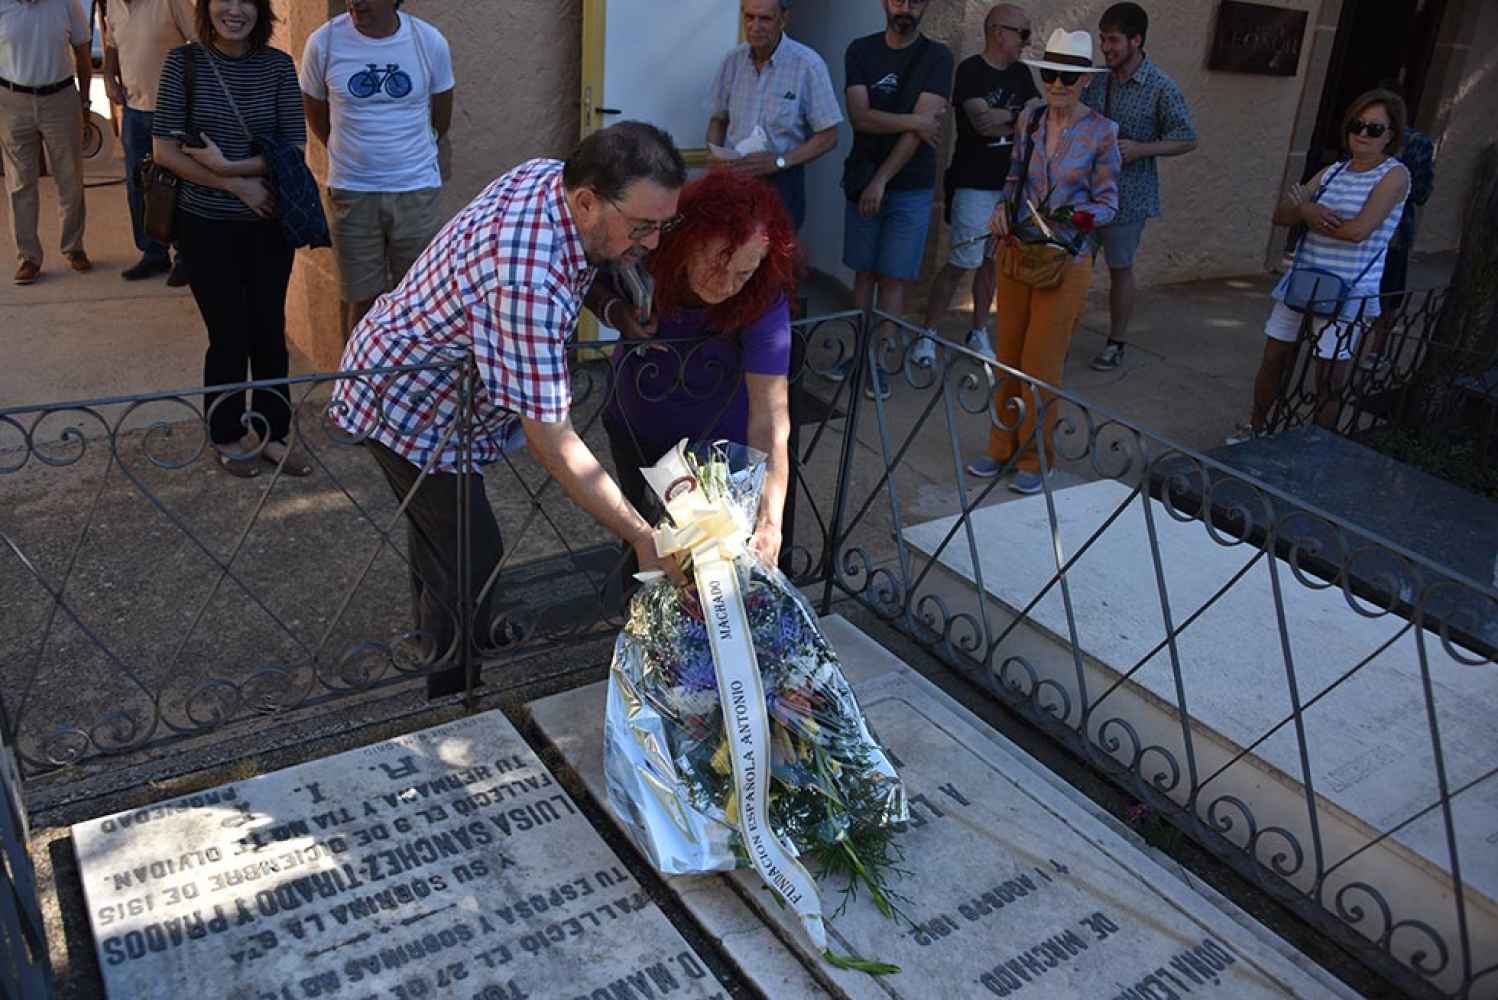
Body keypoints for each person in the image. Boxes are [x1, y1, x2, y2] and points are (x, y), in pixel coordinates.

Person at [329, 121, 688, 697]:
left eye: (663, 224)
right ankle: (452, 687)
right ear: (588, 201)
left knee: (445, 539)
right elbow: (553, 441)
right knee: (472, 552)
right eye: (642, 226)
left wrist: (613, 310)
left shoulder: (553, 178)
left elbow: (584, 265)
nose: (652, 244)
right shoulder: (525, 280)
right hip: (406, 402)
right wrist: (641, 535)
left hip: (442, 389)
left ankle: (447, 636)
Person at [603, 169, 797, 570]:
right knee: (648, 557)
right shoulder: (647, 251)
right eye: (716, 265)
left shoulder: (761, 296)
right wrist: (615, 311)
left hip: (719, 455)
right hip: (638, 434)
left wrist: (770, 521)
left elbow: (770, 416)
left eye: (742, 273)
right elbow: (589, 275)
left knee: (717, 573)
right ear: (688, 241)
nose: (726, 285)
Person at [150, 0, 310, 478]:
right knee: (227, 335)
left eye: (246, 1)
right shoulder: (185, 62)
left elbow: (293, 147)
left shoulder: (279, 66)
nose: (234, 11)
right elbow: (163, 150)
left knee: (268, 330)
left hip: (267, 223)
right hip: (205, 226)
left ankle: (274, 433)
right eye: (224, 0)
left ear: (261, 11)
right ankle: (226, 434)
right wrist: (232, 184)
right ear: (206, 8)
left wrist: (229, 166)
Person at [964, 28, 1118, 494]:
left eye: (1067, 79)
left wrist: (1072, 217)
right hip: (1017, 250)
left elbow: (1110, 203)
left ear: (1085, 82)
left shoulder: (1102, 132)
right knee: (1008, 353)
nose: (1056, 85)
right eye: (1050, 74)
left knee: (1042, 363)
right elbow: (1014, 177)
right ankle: (999, 446)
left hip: (1065, 260)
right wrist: (1001, 211)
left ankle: (1035, 456)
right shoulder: (1030, 117)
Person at [1228, 90, 1410, 443]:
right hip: (1304, 278)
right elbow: (1282, 214)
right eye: (1358, 124)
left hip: (1348, 287)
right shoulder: (1332, 172)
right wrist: (1308, 211)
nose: (1363, 133)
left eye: (1375, 128)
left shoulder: (1394, 175)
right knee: (1274, 357)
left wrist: (1308, 212)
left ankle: (1318, 444)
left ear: (1390, 135)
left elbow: (1359, 230)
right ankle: (1256, 426)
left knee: (1328, 373)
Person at [300, 0, 454, 341]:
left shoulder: (429, 42)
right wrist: (353, 155)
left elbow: (440, 118)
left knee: (417, 300)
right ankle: (359, 389)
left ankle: (412, 390)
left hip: (416, 193)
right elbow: (315, 111)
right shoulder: (323, 43)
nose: (356, 2)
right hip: (353, 195)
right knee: (360, 301)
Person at [839, 0, 953, 400]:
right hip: (861, 177)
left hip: (908, 186)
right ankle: (856, 355)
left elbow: (921, 132)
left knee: (893, 279)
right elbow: (859, 116)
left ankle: (880, 363)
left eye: (917, 0)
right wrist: (915, 121)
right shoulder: (860, 50)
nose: (906, 6)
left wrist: (881, 181)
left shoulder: (938, 57)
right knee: (864, 274)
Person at [919, 3, 1037, 367]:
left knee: (991, 263)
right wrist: (1015, 119)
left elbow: (1036, 116)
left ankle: (977, 330)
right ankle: (929, 335)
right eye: (1023, 33)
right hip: (973, 182)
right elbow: (981, 123)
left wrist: (1008, 117)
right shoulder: (971, 70)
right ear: (999, 32)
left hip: (1009, 185)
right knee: (960, 262)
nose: (1026, 42)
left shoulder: (1021, 73)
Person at [1080, 2, 1196, 372]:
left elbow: (1187, 138)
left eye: (1113, 40)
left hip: (1129, 197)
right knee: (1073, 264)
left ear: (1136, 39)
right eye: (1102, 39)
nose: (1106, 47)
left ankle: (1116, 342)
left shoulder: (1161, 86)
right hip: (1085, 191)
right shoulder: (1097, 78)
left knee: (1119, 268)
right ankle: (1056, 330)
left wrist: (1142, 149)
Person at [706, 0, 841, 231]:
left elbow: (828, 136)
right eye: (749, 17)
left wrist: (780, 161)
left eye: (765, 19)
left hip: (782, 181)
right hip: (735, 178)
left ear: (783, 19)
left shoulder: (807, 65)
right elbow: (718, 119)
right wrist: (714, 156)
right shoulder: (733, 61)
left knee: (776, 260)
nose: (755, 26)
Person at [102, 0, 196, 283]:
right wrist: (108, 74)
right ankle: (154, 253)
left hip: (174, 110)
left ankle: (186, 257)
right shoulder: (113, 5)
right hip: (134, 111)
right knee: (140, 185)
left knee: (179, 185)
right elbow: (112, 44)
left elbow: (200, 41)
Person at [0, 0, 93, 286]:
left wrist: (85, 101)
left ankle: (73, 247)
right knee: (19, 183)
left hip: (61, 98)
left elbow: (82, 51)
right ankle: (28, 257)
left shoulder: (67, 3)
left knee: (70, 178)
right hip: (12, 102)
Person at [1359, 112, 1435, 370]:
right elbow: (1423, 191)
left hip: (1391, 233)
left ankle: (1375, 350)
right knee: (1381, 293)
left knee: (1386, 293)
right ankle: (1372, 350)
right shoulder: (1364, 136)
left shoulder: (1415, 143)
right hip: (1375, 230)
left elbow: (1421, 191)